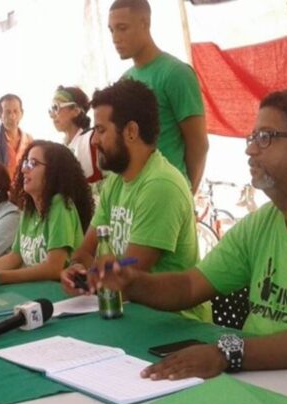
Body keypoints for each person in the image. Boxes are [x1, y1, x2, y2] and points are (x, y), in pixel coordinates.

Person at [92, 89, 287, 379]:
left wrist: (228, 354)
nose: (250, 150)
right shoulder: (260, 224)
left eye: (266, 137)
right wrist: (132, 283)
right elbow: (191, 286)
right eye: (252, 137)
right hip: (262, 376)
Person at [61, 79, 206, 321]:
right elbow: (86, 250)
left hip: (174, 324)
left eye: (101, 130)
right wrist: (76, 268)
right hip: (131, 313)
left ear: (131, 131)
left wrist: (91, 277)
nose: (94, 141)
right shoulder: (116, 182)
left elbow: (127, 277)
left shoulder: (161, 186)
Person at [0, 141, 93, 284]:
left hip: (62, 293)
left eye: (33, 163)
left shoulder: (60, 205)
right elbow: (14, 257)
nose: (24, 169)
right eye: (26, 163)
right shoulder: (28, 210)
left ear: (53, 172)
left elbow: (53, 268)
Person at [109, 0, 208, 193]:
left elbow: (198, 144)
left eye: (122, 28)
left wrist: (186, 194)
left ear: (144, 23)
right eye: (111, 30)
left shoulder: (176, 73)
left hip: (168, 190)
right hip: (135, 193)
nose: (115, 38)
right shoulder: (124, 80)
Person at [49, 85, 104, 195]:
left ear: (75, 110)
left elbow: (112, 180)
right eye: (50, 109)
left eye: (56, 107)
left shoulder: (92, 139)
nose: (52, 115)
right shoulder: (60, 149)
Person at [0, 94, 34, 179]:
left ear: (22, 113)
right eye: (7, 112)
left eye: (15, 111)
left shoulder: (29, 141)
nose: (12, 116)